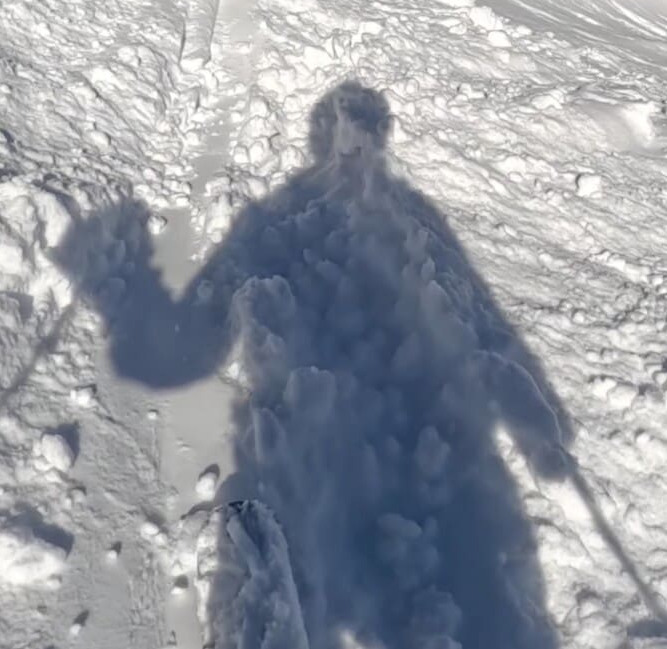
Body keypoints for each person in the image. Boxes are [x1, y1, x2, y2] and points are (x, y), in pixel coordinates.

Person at [63, 82, 570, 649]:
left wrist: (533, 425)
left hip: (412, 470)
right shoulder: (291, 218)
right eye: (348, 133)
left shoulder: (402, 220)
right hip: (330, 455)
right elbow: (190, 349)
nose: (355, 148)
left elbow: (475, 322)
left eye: (362, 134)